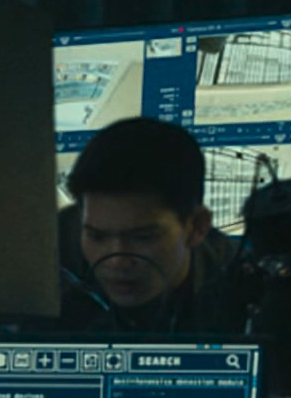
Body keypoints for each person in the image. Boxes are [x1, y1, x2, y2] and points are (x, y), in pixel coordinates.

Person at [57, 116, 255, 332]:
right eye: (97, 236)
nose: (117, 261)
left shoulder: (247, 287)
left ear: (197, 227)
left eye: (142, 238)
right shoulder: (51, 260)